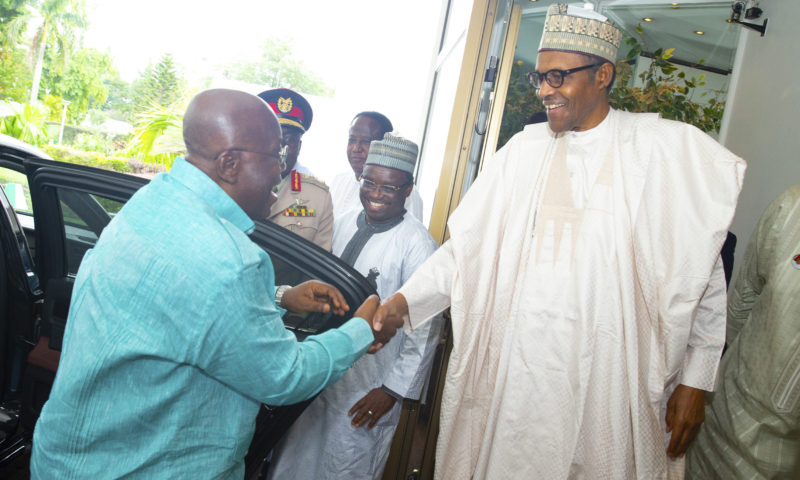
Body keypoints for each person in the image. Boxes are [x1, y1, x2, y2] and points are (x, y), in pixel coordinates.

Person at [373, 4, 746, 479]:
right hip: (514, 379)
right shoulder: (520, 154)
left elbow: (703, 277)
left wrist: (696, 381)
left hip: (610, 383)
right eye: (540, 79)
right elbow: (464, 255)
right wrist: (403, 302)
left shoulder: (659, 152)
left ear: (603, 74)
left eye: (558, 77)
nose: (546, 90)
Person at [30, 89, 385, 479]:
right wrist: (359, 331)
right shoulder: (229, 261)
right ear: (229, 164)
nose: (280, 171)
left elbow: (179, 295)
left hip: (66, 459)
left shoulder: (152, 201)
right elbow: (285, 375)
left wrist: (283, 296)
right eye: (275, 156)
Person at [267, 134, 441, 480]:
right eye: (370, 183)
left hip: (368, 385)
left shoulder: (418, 246)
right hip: (321, 369)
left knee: (346, 465)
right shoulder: (344, 218)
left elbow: (425, 330)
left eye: (389, 188)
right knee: (293, 462)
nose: (376, 194)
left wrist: (391, 391)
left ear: (408, 189)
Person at [686, 185, 800, 479]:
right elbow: (741, 303)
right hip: (720, 418)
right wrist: (700, 382)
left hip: (779, 459)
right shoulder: (791, 208)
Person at [258, 88, 334, 250]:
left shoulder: (318, 197)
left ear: (299, 147)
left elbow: (319, 262)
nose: (281, 148)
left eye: (289, 139)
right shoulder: (232, 183)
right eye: (273, 136)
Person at [330, 111, 424, 222]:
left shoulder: (404, 193)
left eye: (365, 142)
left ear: (382, 146)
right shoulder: (339, 180)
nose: (356, 148)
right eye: (352, 140)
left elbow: (409, 235)